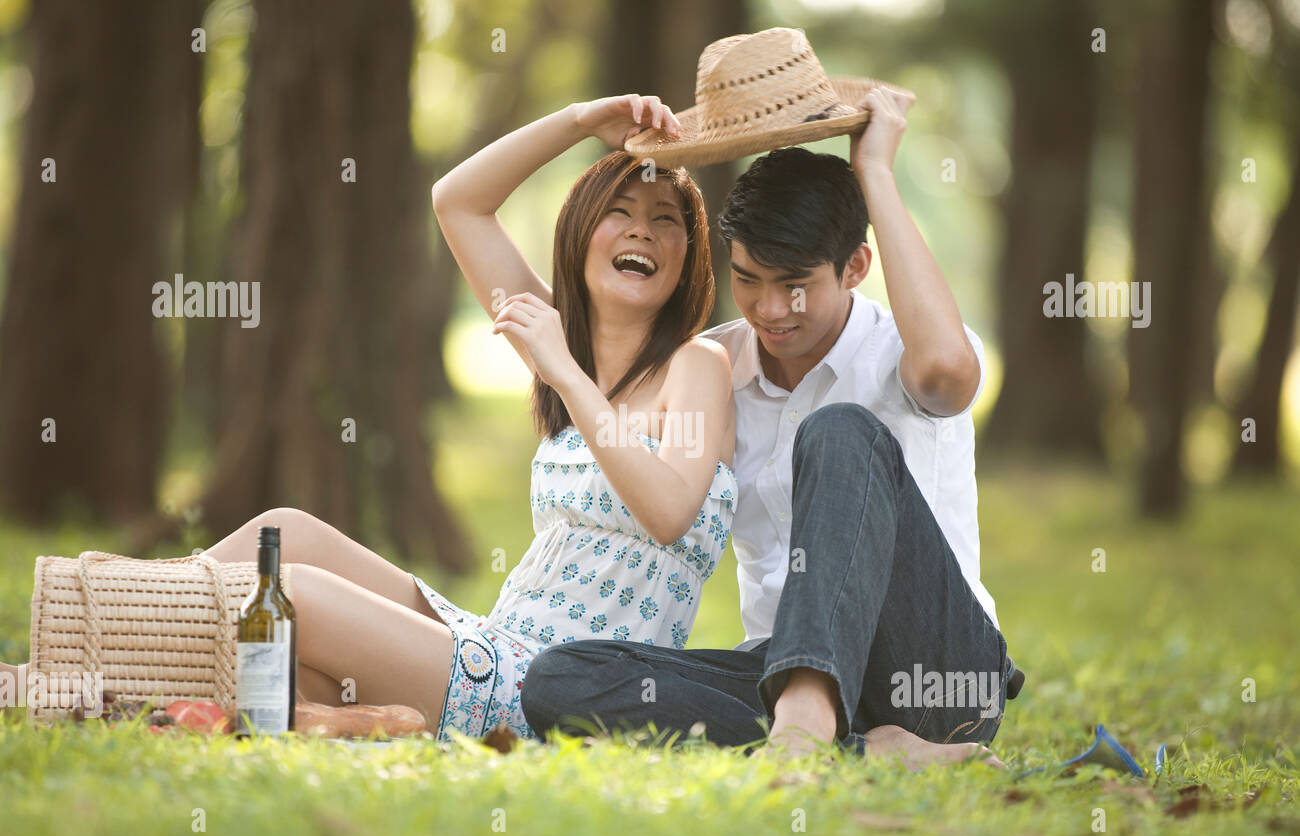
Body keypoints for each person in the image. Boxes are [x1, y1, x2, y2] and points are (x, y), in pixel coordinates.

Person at [1, 93, 737, 744]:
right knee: (282, 533)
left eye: (666, 221)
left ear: (687, 258)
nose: (642, 231)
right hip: (490, 639)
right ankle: (64, 661)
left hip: (546, 687)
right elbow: (458, 201)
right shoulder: (564, 344)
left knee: (293, 600)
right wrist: (581, 121)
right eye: (620, 211)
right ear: (581, 235)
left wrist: (567, 376)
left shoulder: (694, 367)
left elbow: (670, 509)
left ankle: (76, 677)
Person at [519, 28, 1022, 769]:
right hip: (778, 666)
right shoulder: (714, 367)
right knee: (562, 676)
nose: (771, 309)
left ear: (854, 266)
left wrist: (875, 172)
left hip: (938, 679)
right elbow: (463, 213)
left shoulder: (901, 352)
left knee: (841, 431)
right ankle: (860, 750)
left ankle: (808, 732)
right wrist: (576, 122)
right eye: (749, 279)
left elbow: (950, 372)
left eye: (796, 286)